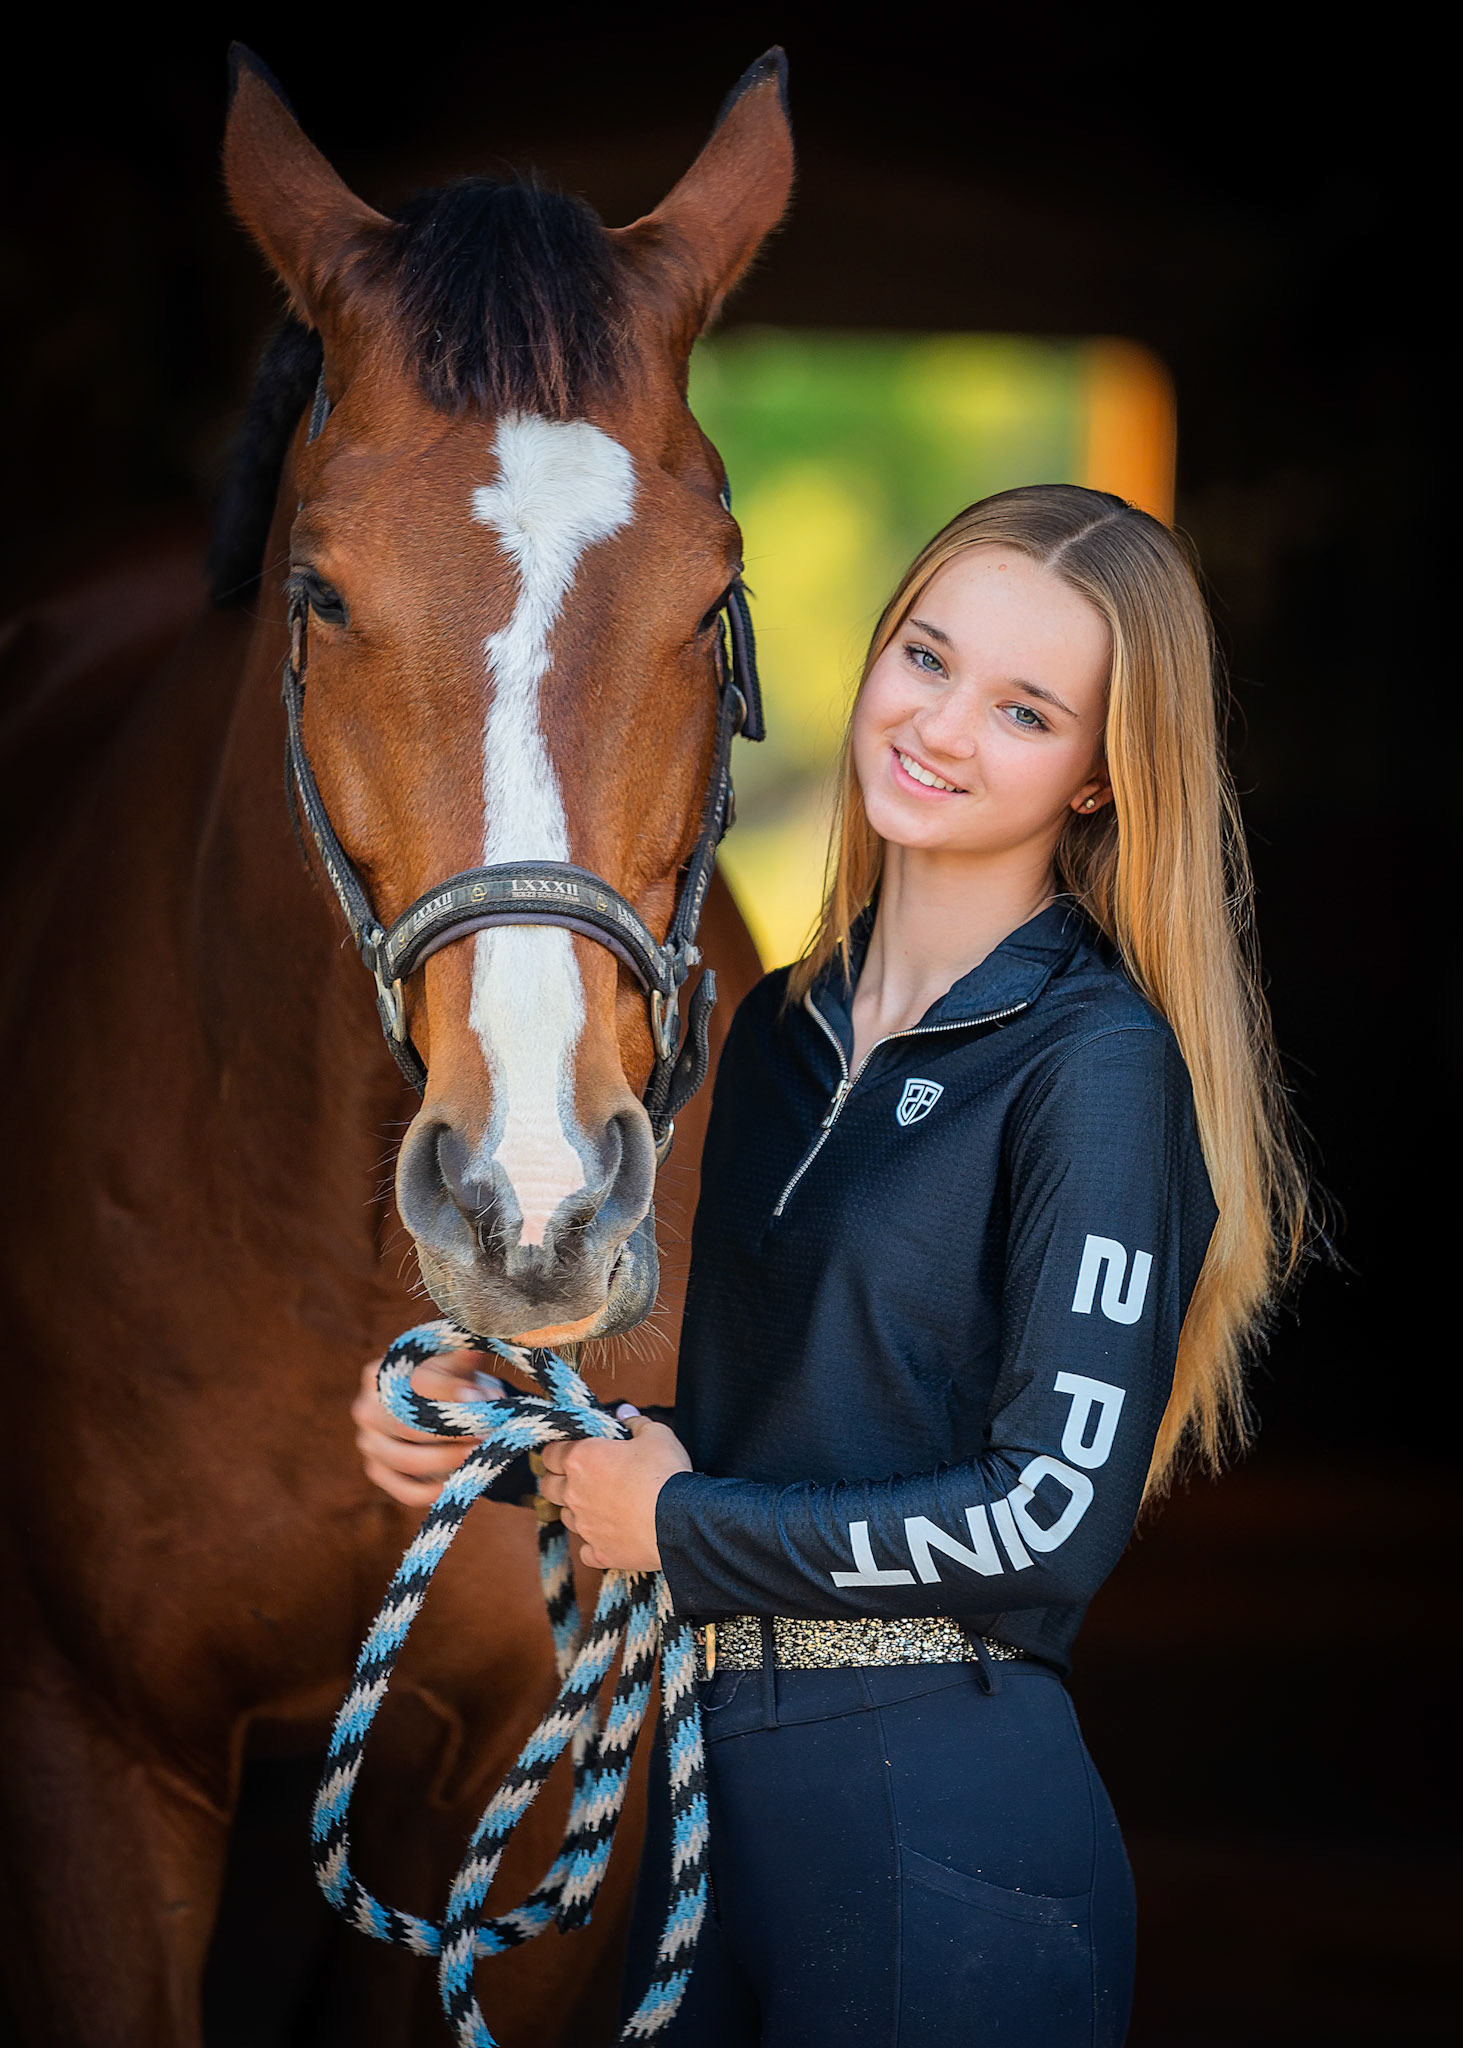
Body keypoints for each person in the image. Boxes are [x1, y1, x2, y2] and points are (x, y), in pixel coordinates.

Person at [352, 484, 1305, 2045]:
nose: (939, 725)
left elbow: (1045, 1523)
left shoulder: (1099, 1067)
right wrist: (522, 1440)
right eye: (925, 657)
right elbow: (761, 1443)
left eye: (1023, 708)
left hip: (942, 1827)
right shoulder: (778, 1029)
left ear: (1096, 781)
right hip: (710, 1810)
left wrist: (681, 1524)